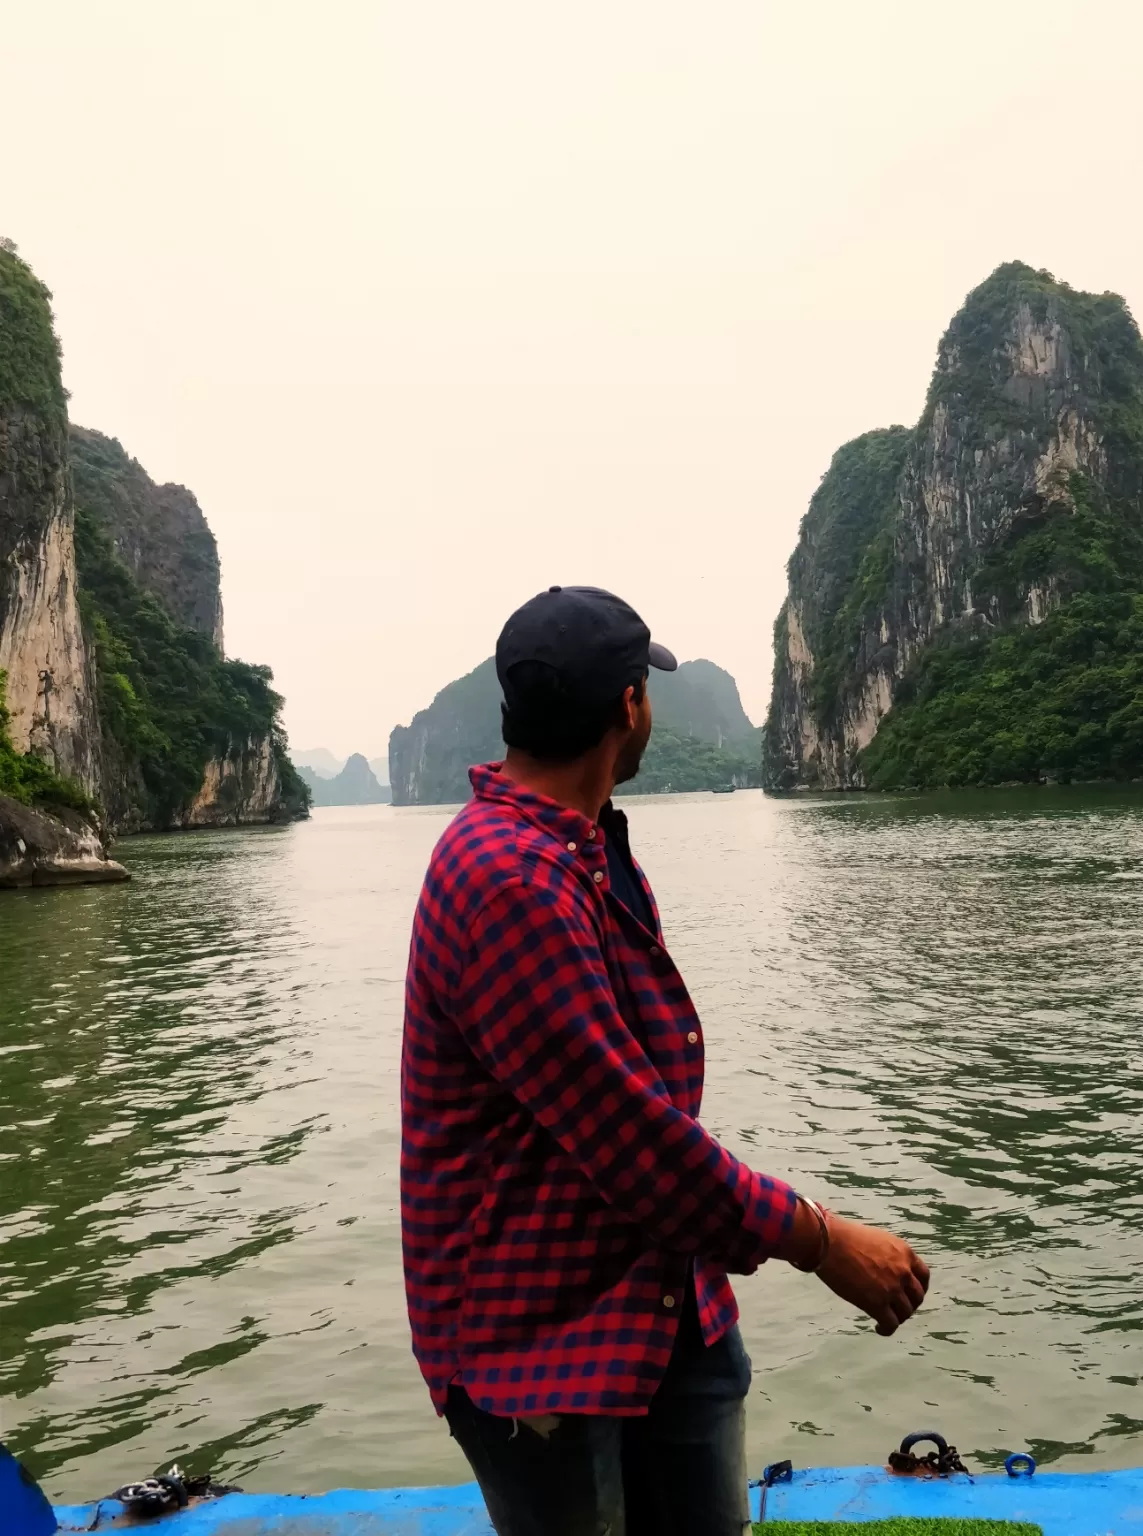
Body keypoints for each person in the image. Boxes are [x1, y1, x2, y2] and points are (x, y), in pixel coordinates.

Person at [401, 586, 930, 1536]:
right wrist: (821, 1240)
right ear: (629, 709)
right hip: (541, 1351)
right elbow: (634, 1139)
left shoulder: (580, 847)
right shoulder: (508, 880)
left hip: (664, 1304)